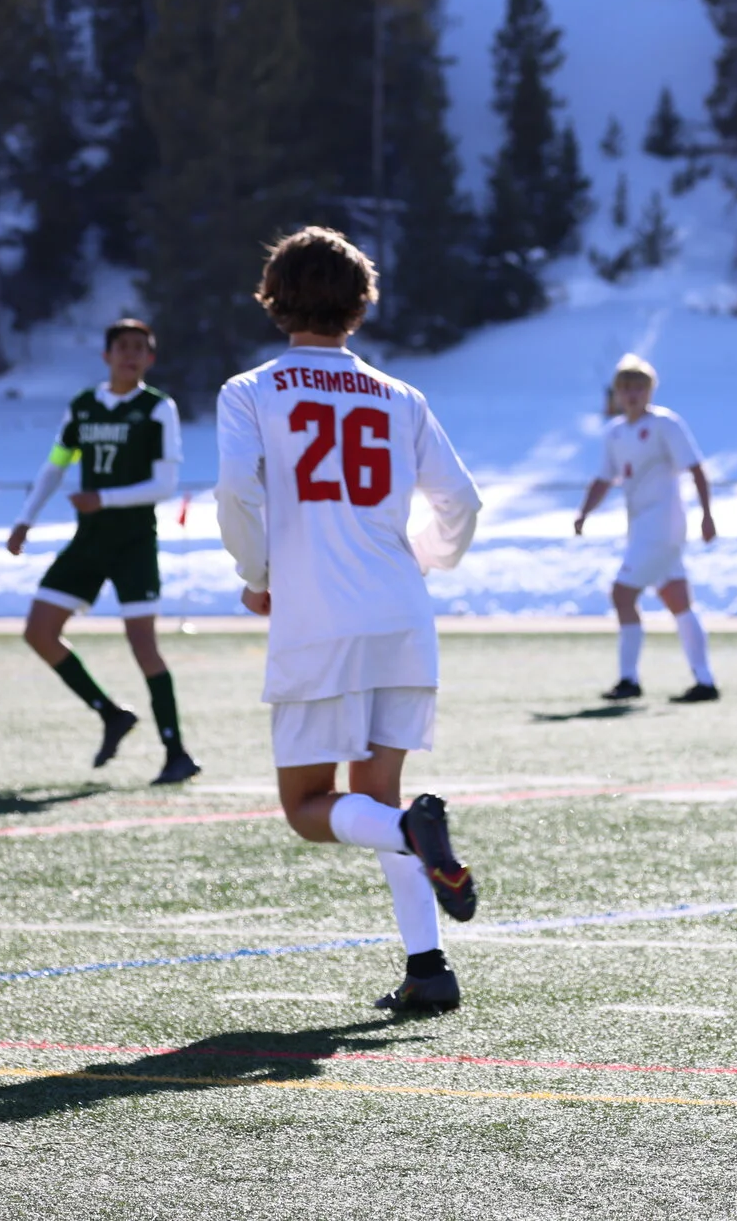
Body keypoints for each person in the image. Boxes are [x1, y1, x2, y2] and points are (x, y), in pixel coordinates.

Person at [215, 227, 485, 1014]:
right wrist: (420, 559)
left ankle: (413, 839)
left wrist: (259, 576)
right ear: (362, 305)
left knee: (311, 809)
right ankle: (428, 965)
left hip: (317, 617)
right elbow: (462, 502)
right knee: (379, 799)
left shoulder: (250, 390)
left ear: (273, 300)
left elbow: (236, 492)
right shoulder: (402, 396)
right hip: (400, 615)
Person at [6, 319, 198, 785]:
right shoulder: (84, 406)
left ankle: (177, 754)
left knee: (143, 645)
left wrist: (105, 498)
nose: (130, 355)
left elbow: (165, 484)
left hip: (134, 543)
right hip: (89, 540)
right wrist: (26, 518)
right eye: (122, 347)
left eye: (139, 348)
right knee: (39, 632)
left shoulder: (157, 408)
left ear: (150, 359)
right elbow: (56, 464)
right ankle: (111, 714)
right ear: (106, 355)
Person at [572, 355, 720, 703]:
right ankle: (705, 681)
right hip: (640, 527)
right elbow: (603, 478)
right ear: (617, 393)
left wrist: (707, 515)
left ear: (650, 390)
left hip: (663, 525)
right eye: (626, 388)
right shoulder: (615, 432)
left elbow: (696, 469)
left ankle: (629, 680)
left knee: (622, 595)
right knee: (678, 599)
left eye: (639, 387)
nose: (632, 394)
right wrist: (584, 513)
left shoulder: (665, 425)